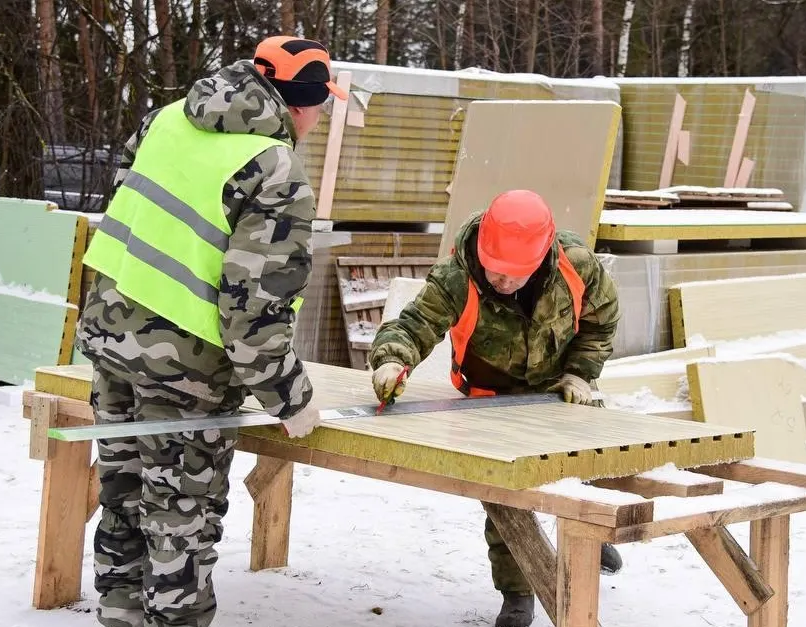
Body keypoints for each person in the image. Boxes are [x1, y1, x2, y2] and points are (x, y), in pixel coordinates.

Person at [74, 35, 348, 627]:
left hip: (110, 342)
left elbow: (128, 203)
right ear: (303, 105)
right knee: (180, 518)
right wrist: (289, 398)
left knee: (123, 497)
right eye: (322, 106)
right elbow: (255, 311)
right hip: (186, 371)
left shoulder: (168, 117)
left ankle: (119, 617)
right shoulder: (274, 168)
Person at [367, 189, 623, 627]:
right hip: (489, 396)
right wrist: (392, 358)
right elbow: (414, 324)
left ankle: (586, 537)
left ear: (541, 259)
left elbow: (602, 321)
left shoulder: (576, 267)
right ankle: (518, 593)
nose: (502, 282)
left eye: (514, 275)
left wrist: (581, 372)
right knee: (507, 497)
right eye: (496, 271)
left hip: (559, 388)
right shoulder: (456, 276)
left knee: (577, 470)